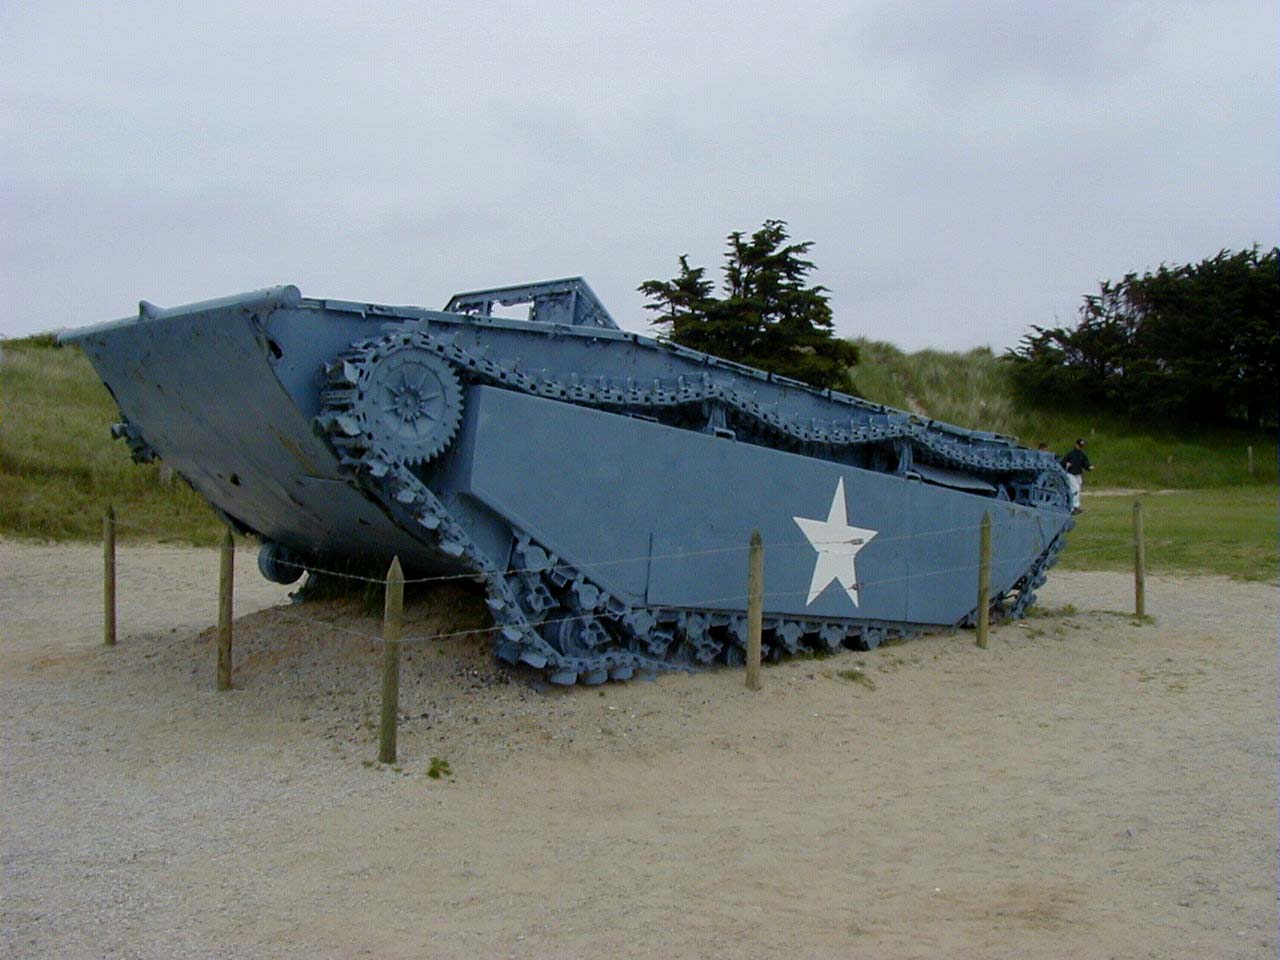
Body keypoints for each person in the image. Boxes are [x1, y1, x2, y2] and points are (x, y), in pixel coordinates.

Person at [1060, 439, 1093, 514]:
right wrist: (1066, 464)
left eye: (1081, 446)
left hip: (1078, 473)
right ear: (1076, 444)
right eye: (1079, 445)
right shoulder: (1070, 453)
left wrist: (1089, 467)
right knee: (1075, 488)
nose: (1080, 447)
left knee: (1078, 489)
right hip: (1070, 473)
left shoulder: (1082, 454)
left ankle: (1076, 506)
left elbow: (1085, 462)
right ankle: (1073, 507)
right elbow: (1063, 462)